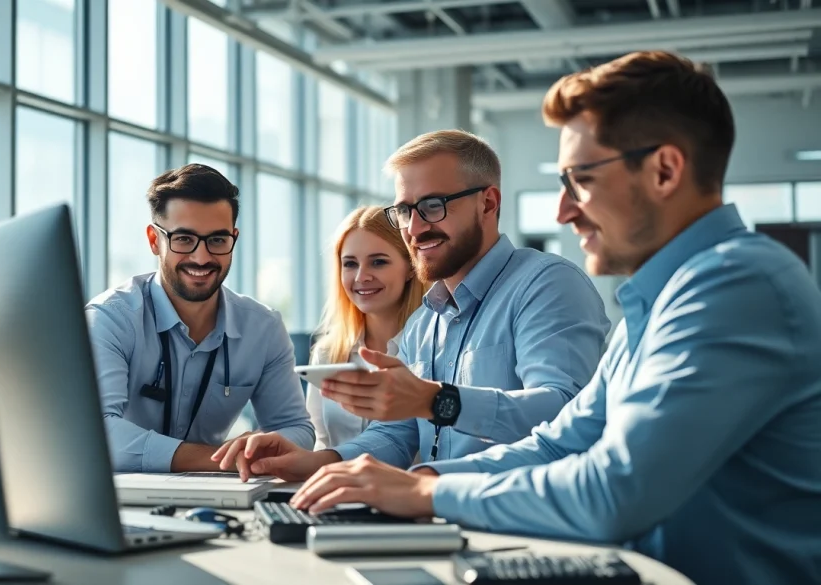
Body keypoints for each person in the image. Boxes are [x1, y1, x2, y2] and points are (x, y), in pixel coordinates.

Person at [284, 51, 821, 585]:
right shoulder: (655, 307)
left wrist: (426, 491)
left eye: (580, 180)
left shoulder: (735, 285)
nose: (563, 211)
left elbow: (614, 490)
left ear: (664, 170)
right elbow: (559, 442)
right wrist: (414, 479)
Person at [213, 130, 610, 481]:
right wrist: (318, 462)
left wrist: (436, 400)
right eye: (405, 210)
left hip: (522, 528)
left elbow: (566, 412)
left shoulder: (546, 284)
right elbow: (397, 433)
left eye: (433, 205)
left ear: (488, 203)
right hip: (441, 516)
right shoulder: (424, 324)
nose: (415, 228)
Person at [86, 163, 314, 473]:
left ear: (234, 238)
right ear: (154, 240)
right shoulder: (111, 319)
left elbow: (296, 428)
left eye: (217, 240)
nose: (202, 257)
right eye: (183, 239)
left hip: (220, 498)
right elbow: (98, 434)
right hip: (123, 502)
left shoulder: (263, 328)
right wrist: (222, 458)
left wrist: (258, 450)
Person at [306, 206, 427, 449]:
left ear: (411, 268)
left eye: (378, 262)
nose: (362, 277)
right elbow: (321, 441)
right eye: (350, 264)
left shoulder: (434, 349)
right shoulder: (328, 353)